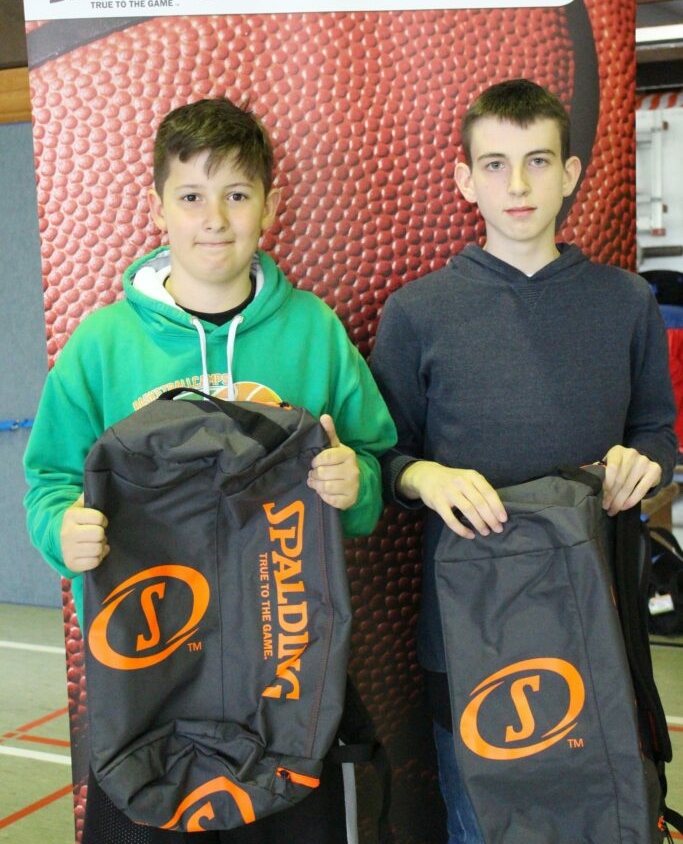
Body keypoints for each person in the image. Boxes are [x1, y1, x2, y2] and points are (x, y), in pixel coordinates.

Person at [23, 97, 397, 844]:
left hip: (287, 666)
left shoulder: (314, 330)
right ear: (157, 206)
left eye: (237, 195)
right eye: (191, 196)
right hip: (150, 673)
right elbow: (50, 481)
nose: (215, 220)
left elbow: (372, 464)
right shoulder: (102, 344)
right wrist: (61, 531)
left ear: (270, 206)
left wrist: (354, 485)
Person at [370, 78, 678, 844]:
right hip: (468, 627)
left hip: (597, 612)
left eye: (537, 161)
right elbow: (381, 458)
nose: (516, 185)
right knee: (485, 826)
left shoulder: (625, 301)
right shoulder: (416, 312)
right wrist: (424, 475)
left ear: (569, 174)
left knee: (608, 820)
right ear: (464, 179)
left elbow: (656, 433)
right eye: (495, 164)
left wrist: (645, 465)